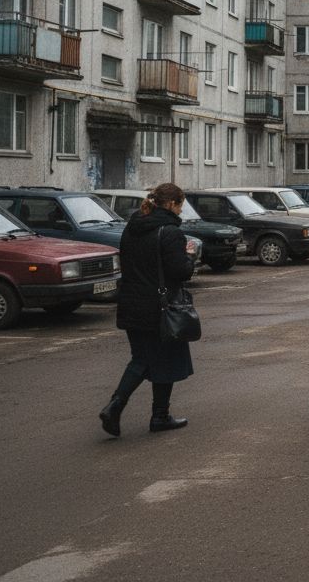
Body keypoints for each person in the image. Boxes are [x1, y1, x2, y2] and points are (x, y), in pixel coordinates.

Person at [99, 183, 198, 437]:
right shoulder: (170, 232)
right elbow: (180, 272)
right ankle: (125, 407)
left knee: (144, 358)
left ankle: (154, 415)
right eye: (181, 205)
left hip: (132, 303)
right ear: (172, 204)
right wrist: (190, 255)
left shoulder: (132, 228)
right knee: (159, 360)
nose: (181, 211)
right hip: (161, 308)